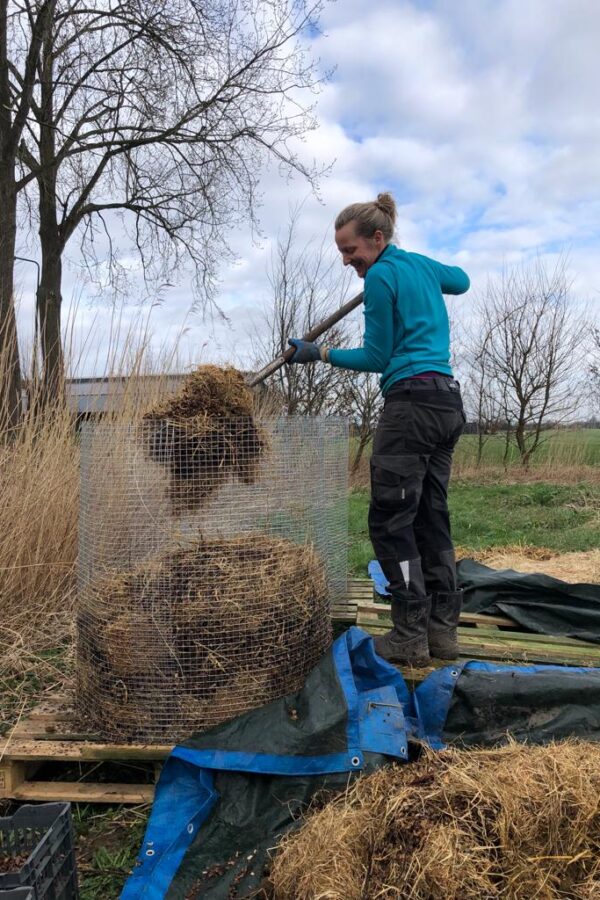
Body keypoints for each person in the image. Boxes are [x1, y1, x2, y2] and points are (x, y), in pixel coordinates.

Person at [287, 193, 470, 666]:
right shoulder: (415, 266)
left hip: (410, 407)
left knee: (391, 522)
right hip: (446, 403)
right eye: (343, 253)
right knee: (431, 516)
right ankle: (442, 632)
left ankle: (410, 633)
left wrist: (319, 353)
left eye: (352, 251)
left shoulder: (383, 274)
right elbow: (462, 280)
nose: (348, 261)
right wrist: (420, 268)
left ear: (377, 238)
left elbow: (376, 357)